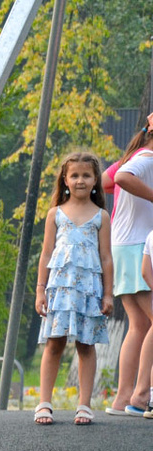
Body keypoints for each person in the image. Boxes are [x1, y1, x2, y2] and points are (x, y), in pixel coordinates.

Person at [33, 152, 114, 426]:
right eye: (75, 175)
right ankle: (44, 403)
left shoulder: (101, 216)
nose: (80, 180)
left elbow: (106, 258)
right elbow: (45, 255)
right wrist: (40, 290)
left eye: (86, 175)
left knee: (86, 344)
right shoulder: (55, 214)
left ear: (95, 180)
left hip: (89, 292)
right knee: (54, 343)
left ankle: (84, 405)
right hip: (60, 290)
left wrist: (108, 293)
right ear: (65, 180)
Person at [105, 120, 153, 416]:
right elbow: (121, 178)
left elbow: (107, 180)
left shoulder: (135, 155)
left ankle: (123, 400)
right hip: (137, 247)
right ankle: (140, 396)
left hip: (122, 245)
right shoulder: (147, 158)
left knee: (139, 325)